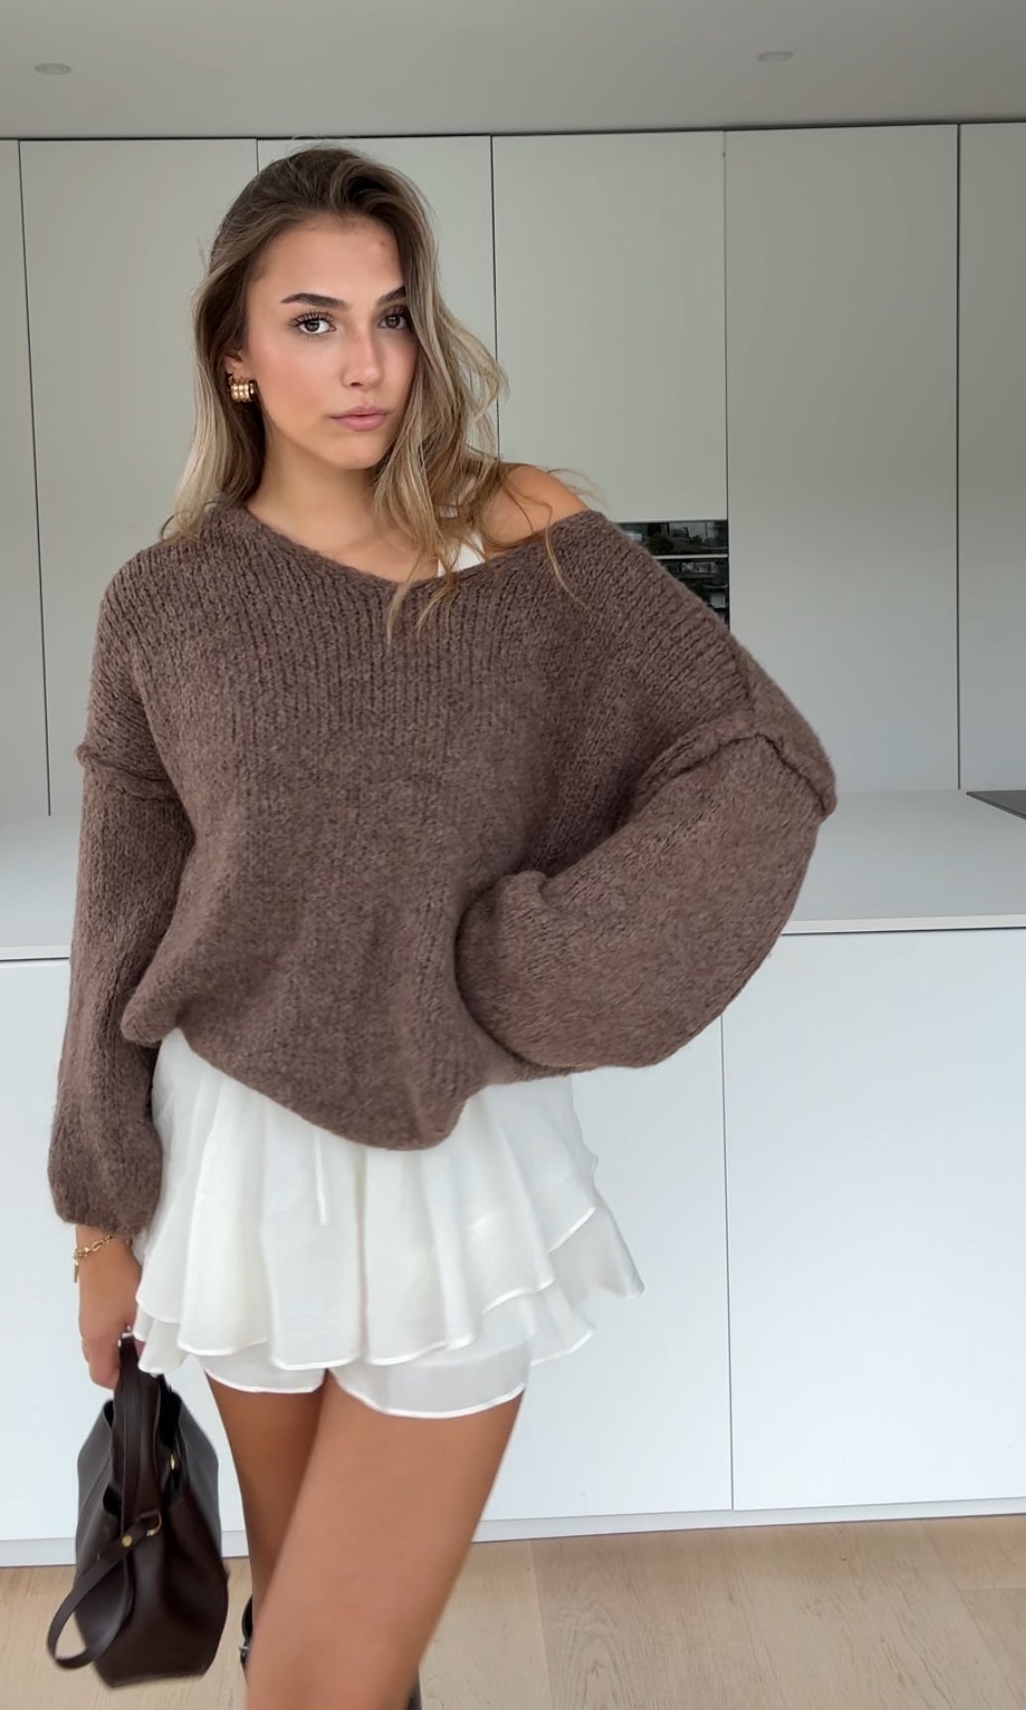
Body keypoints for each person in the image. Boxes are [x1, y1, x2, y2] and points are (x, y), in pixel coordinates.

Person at [48, 145, 837, 1710]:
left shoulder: (518, 537)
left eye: (393, 316)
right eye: (315, 320)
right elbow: (119, 920)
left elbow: (756, 751)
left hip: (453, 1156)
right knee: (314, 1636)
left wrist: (546, 965)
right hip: (236, 1158)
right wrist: (99, 1221)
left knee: (319, 1677)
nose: (367, 362)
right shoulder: (163, 600)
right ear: (235, 352)